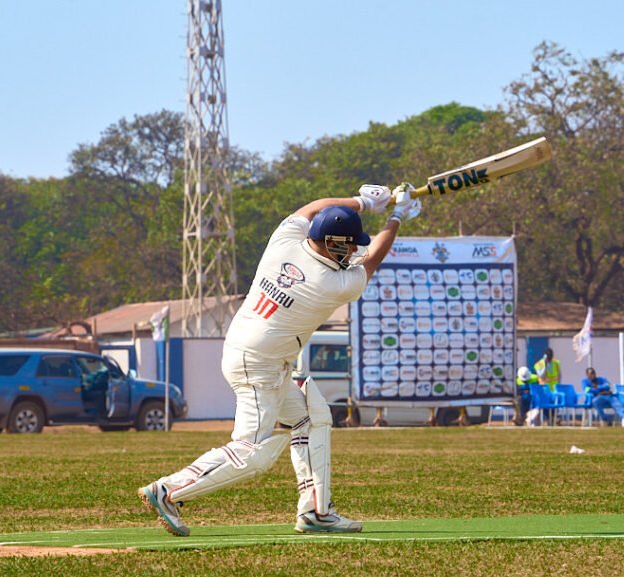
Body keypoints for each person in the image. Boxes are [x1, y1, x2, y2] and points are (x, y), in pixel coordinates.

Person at [138, 183, 422, 536]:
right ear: (334, 243)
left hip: (249, 351)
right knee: (251, 452)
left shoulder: (284, 239)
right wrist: (396, 217)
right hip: (261, 365)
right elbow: (372, 260)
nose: (353, 250)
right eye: (350, 244)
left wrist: (362, 202)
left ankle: (316, 511)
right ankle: (168, 490)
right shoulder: (330, 284)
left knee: (312, 418)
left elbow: (312, 206)